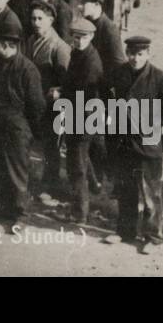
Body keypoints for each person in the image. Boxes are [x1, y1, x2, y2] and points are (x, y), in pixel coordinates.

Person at [104, 36, 163, 253]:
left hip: (147, 143)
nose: (135, 58)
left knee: (150, 194)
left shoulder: (159, 78)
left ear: (148, 54)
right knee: (125, 189)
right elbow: (109, 96)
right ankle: (124, 232)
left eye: (140, 54)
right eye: (132, 53)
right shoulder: (119, 73)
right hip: (124, 141)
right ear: (127, 53)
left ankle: (153, 237)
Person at [0, 10, 46, 225]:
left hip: (18, 129)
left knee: (17, 173)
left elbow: (37, 106)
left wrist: (31, 133)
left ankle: (21, 215)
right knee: (1, 169)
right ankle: (5, 209)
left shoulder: (28, 70)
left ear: (8, 45)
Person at [59, 17, 105, 223]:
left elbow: (83, 94)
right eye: (75, 37)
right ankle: (94, 185)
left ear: (91, 36)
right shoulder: (79, 53)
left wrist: (60, 96)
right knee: (79, 155)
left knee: (76, 166)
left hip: (83, 117)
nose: (78, 41)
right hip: (78, 114)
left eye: (83, 37)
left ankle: (79, 213)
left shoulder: (91, 62)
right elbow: (73, 84)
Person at [25, 0, 71, 191]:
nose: (36, 22)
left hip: (52, 106)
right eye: (33, 18)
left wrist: (59, 91)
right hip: (35, 102)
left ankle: (52, 183)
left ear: (51, 20)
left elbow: (69, 82)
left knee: (51, 146)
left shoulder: (59, 47)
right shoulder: (30, 40)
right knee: (39, 141)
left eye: (40, 19)